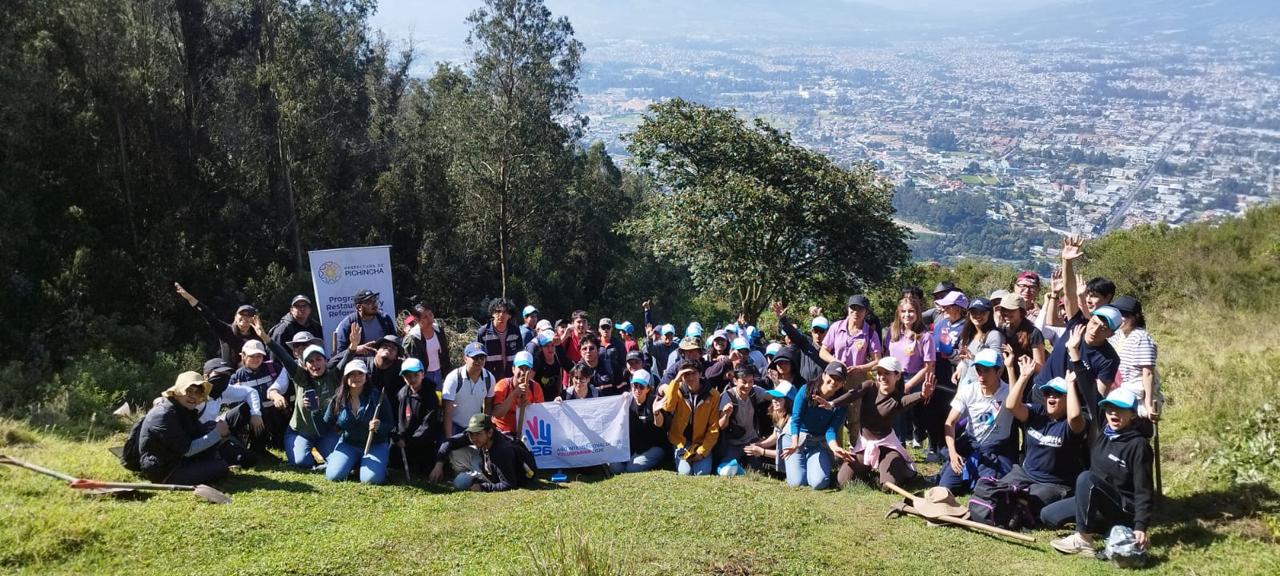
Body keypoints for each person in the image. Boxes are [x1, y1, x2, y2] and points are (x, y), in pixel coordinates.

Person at [1042, 388, 1155, 556]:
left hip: (1123, 508)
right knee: (1048, 516)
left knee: (1086, 478)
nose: (1113, 413)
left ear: (1132, 414)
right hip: (1097, 500)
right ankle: (1101, 527)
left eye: (1120, 409)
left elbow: (1144, 490)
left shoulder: (1139, 446)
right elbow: (1089, 390)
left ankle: (1083, 540)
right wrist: (1076, 365)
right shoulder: (1105, 430)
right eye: (1110, 408)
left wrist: (1140, 526)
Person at [1033, 236, 1120, 424]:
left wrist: (1076, 358)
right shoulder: (1077, 322)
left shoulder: (1108, 358)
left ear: (1110, 333)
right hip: (1042, 391)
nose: (1096, 329)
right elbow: (1070, 292)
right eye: (1095, 322)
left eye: (1103, 327)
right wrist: (1067, 262)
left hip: (1070, 407)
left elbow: (1097, 398)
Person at [998, 356, 1087, 515]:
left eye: (1058, 394)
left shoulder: (1073, 423)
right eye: (1047, 393)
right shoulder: (1037, 412)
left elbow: (1074, 416)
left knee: (1027, 504)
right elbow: (1011, 405)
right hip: (1025, 475)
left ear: (1068, 398)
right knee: (996, 492)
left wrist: (1071, 385)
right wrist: (1024, 376)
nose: (1051, 397)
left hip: (1053, 484)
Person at [834, 357, 932, 490]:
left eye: (887, 373)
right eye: (879, 373)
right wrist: (831, 403)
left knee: (888, 487)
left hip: (887, 448)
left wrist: (922, 394)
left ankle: (898, 468)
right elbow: (852, 395)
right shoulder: (869, 386)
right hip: (865, 446)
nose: (882, 377)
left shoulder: (898, 399)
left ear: (897, 376)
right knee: (842, 481)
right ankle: (869, 470)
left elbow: (910, 399)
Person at [939, 349, 1016, 495]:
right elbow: (950, 422)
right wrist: (953, 453)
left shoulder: (1007, 392)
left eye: (986, 371)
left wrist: (1011, 367)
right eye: (978, 370)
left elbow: (1016, 399)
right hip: (970, 445)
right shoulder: (968, 390)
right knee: (945, 486)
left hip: (996, 450)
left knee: (986, 490)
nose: (981, 376)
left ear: (999, 372)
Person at [137, 371, 232, 485]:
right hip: (165, 470)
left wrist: (216, 430)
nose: (193, 396)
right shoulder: (164, 414)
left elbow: (196, 434)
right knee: (221, 467)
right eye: (188, 391)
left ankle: (207, 464)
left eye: (197, 393)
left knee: (211, 425)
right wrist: (217, 434)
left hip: (177, 459)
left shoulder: (184, 410)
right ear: (177, 393)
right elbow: (187, 450)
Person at [264, 337, 341, 468]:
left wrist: (353, 347)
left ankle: (322, 463)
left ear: (325, 361)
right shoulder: (300, 377)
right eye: (310, 361)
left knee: (339, 461)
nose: (315, 364)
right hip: (300, 432)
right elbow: (284, 357)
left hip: (326, 433)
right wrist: (267, 339)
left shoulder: (332, 376)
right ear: (305, 365)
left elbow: (345, 360)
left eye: (318, 359)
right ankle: (315, 463)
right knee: (301, 462)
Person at [322, 359, 394, 484]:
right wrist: (314, 409)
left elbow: (390, 424)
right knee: (333, 476)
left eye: (360, 373)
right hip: (348, 443)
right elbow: (327, 421)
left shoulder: (378, 397)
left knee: (371, 480)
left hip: (375, 444)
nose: (356, 377)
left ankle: (373, 466)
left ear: (366, 377)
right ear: (346, 378)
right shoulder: (338, 399)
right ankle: (353, 463)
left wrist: (379, 426)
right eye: (352, 374)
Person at [782, 362, 850, 490]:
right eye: (832, 376)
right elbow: (795, 420)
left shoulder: (841, 401)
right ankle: (800, 462)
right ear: (824, 375)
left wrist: (835, 448)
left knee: (819, 483)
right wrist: (794, 443)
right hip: (796, 438)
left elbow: (831, 429)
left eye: (839, 379)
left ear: (843, 383)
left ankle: (810, 462)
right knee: (797, 483)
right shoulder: (806, 390)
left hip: (818, 442)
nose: (834, 381)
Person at [429, 413, 537, 492]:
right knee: (454, 452)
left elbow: (509, 484)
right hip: (487, 464)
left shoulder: (501, 451)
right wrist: (438, 465)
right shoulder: (480, 437)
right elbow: (449, 442)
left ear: (489, 432)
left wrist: (483, 487)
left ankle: (477, 478)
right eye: (471, 434)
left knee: (459, 483)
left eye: (478, 434)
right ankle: (476, 474)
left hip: (499, 473)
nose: (474, 438)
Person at [885, 296, 936, 450]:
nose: (907, 315)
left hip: (914, 378)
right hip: (893, 376)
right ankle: (897, 447)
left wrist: (910, 384)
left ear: (918, 313)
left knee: (915, 414)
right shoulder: (892, 333)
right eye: (904, 311)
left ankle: (922, 441)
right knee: (895, 414)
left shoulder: (924, 336)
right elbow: (886, 355)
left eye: (911, 311)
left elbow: (929, 365)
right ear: (899, 313)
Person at [173, 282, 262, 368]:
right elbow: (208, 316)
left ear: (253, 320)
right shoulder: (227, 331)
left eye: (248, 316)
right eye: (242, 315)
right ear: (235, 317)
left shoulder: (258, 335)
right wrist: (190, 298)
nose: (244, 319)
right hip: (230, 376)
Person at [196, 355, 263, 466]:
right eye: (219, 374)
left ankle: (258, 448)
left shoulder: (224, 390)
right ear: (206, 376)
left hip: (218, 429)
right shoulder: (195, 394)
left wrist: (256, 414)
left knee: (251, 459)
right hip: (201, 435)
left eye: (226, 375)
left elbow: (251, 392)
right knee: (242, 460)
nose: (223, 378)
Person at [656, 364, 720, 476]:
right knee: (685, 473)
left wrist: (702, 451)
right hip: (681, 442)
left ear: (700, 374)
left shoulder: (713, 395)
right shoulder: (677, 390)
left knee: (702, 473)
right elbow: (668, 407)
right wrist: (676, 380)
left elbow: (713, 427)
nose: (690, 377)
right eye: (686, 374)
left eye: (693, 373)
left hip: (701, 442)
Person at [929, 291, 967, 460]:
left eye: (947, 306)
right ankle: (933, 446)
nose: (943, 309)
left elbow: (967, 354)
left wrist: (951, 353)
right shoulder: (942, 323)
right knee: (933, 410)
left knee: (950, 411)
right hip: (937, 372)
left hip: (954, 376)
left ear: (958, 308)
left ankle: (948, 448)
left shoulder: (966, 327)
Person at [1111, 296, 1161, 420]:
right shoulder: (1117, 334)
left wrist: (1148, 404)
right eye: (1118, 314)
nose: (1121, 318)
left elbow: (1148, 373)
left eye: (1125, 314)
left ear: (1135, 317)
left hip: (1134, 397)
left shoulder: (1141, 337)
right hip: (1116, 392)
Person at [610, 370, 668, 474]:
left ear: (648, 389)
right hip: (634, 446)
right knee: (615, 467)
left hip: (654, 445)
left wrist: (656, 412)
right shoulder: (627, 400)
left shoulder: (655, 401)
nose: (637, 389)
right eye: (634, 385)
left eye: (641, 386)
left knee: (631, 468)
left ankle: (658, 460)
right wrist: (622, 403)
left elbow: (660, 424)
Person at [715, 366, 770, 476]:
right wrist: (726, 415)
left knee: (758, 472)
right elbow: (721, 426)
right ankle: (740, 470)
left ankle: (742, 469)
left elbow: (775, 398)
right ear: (735, 381)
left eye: (751, 381)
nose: (747, 386)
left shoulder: (755, 391)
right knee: (724, 470)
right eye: (744, 382)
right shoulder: (727, 396)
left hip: (752, 441)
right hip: (733, 443)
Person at [393, 358, 442, 478]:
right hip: (403, 441)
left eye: (416, 375)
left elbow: (429, 423)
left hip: (424, 442)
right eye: (408, 376)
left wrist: (410, 441)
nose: (412, 379)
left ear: (423, 374)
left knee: (424, 469)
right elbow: (396, 419)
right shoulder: (401, 394)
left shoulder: (431, 395)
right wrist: (398, 436)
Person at [823, 295, 882, 384]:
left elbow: (877, 361)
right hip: (833, 378)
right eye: (853, 308)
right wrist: (836, 361)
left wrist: (860, 368)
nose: (856, 312)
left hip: (856, 382)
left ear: (866, 312)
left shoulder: (871, 334)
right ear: (848, 309)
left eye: (860, 309)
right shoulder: (836, 327)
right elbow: (823, 351)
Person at [442, 342, 496, 436]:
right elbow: (447, 412)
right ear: (465, 358)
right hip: (455, 425)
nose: (479, 361)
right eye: (475, 357)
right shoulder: (454, 378)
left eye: (482, 357)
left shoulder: (489, 378)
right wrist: (449, 439)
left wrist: (485, 430)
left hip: (476, 427)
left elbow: (488, 405)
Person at [745, 381, 796, 473]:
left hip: (792, 459)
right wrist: (760, 444)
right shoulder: (779, 414)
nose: (774, 401)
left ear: (789, 401)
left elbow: (786, 453)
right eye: (774, 397)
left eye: (779, 398)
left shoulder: (792, 422)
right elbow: (775, 435)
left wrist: (762, 451)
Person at [995, 294, 1046, 386]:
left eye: (1011, 310)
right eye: (1004, 309)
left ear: (1021, 311)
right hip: (1002, 384)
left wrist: (1028, 361)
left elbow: (1041, 368)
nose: (1006, 313)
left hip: (1026, 384)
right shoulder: (1000, 331)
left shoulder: (1033, 333)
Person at [954, 297, 1005, 389]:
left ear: (989, 314)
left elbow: (999, 367)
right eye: (974, 312)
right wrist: (960, 367)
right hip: (965, 388)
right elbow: (965, 360)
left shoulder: (994, 335)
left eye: (982, 312)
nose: (978, 315)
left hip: (983, 390)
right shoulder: (967, 335)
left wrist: (973, 358)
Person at [492, 351, 545, 436]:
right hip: (502, 432)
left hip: (526, 432)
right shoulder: (502, 385)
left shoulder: (535, 388)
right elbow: (497, 414)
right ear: (513, 369)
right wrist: (514, 394)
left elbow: (541, 415)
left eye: (527, 369)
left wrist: (530, 408)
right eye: (520, 368)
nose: (523, 373)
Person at [334, 289, 398, 359]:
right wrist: (355, 349)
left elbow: (395, 342)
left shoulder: (385, 318)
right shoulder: (347, 324)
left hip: (384, 361)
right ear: (359, 307)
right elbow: (339, 354)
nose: (374, 304)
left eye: (374, 300)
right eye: (369, 302)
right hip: (359, 364)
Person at [403, 302, 453, 391]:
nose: (430, 319)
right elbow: (411, 361)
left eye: (430, 315)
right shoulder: (412, 338)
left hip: (439, 373)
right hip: (423, 376)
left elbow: (445, 353)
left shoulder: (438, 330)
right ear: (417, 319)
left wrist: (447, 372)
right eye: (425, 317)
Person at [475, 298, 523, 380]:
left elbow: (520, 355)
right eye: (498, 311)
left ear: (510, 315)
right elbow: (478, 358)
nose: (501, 315)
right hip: (490, 379)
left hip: (511, 378)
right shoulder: (483, 333)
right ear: (492, 313)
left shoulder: (515, 331)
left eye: (505, 312)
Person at [529, 329, 566, 401]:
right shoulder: (537, 361)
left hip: (554, 399)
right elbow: (529, 380)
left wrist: (559, 394)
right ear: (541, 348)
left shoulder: (558, 358)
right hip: (538, 399)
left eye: (552, 345)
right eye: (546, 346)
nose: (550, 348)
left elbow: (559, 377)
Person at [596, 318, 628, 394]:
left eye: (608, 327)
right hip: (600, 382)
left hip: (616, 383)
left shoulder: (619, 344)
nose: (605, 330)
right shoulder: (595, 344)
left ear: (611, 329)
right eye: (603, 328)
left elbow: (624, 362)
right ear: (599, 329)